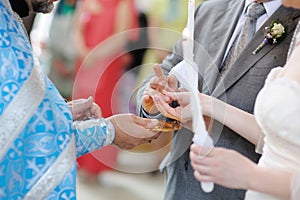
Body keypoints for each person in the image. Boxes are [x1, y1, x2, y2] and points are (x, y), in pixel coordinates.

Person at [136, 0, 300, 199]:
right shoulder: (210, 9)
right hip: (181, 180)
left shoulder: (295, 19)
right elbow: (171, 66)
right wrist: (154, 99)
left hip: (246, 189)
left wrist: (253, 176)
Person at [0, 0, 162, 199]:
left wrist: (62, 113)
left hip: (104, 63)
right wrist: (108, 131)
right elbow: (25, 142)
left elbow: (17, 116)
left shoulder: (8, 15)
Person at [72, 0, 139, 181]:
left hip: (106, 61)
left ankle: (94, 165)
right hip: (84, 60)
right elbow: (76, 28)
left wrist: (95, 54)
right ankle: (76, 159)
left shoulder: (123, 3)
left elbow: (121, 35)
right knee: (80, 106)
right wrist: (82, 51)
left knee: (100, 107)